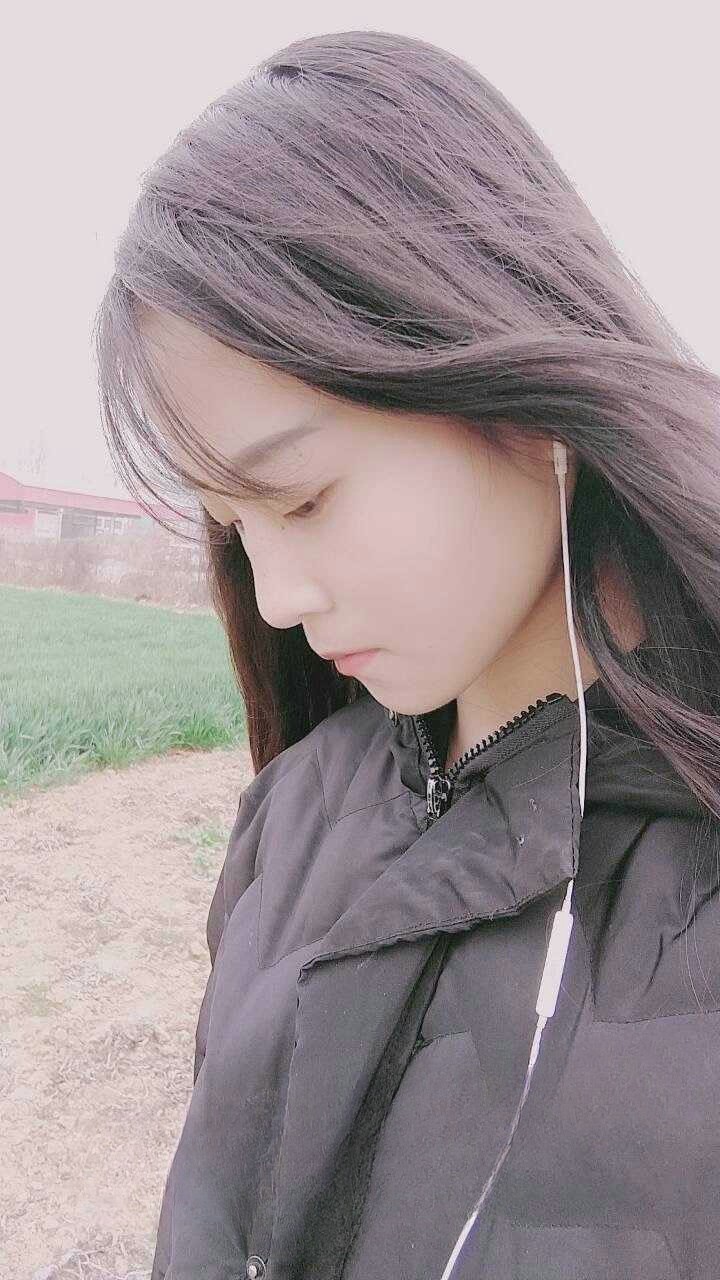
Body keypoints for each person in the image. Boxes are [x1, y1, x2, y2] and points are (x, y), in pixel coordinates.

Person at [93, 28, 720, 1280]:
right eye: (236, 530)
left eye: (304, 498)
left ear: (513, 387)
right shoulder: (294, 809)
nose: (277, 599)